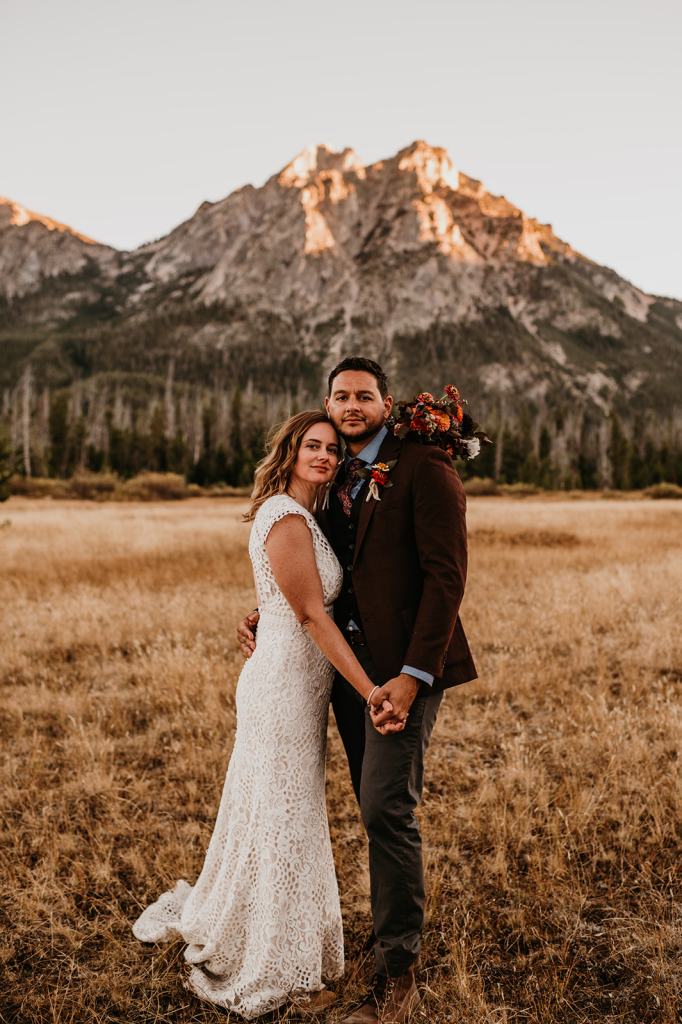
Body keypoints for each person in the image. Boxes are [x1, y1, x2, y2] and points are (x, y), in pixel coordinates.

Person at [132, 410, 394, 1020]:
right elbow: (307, 613)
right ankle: (274, 955)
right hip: (281, 685)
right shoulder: (284, 515)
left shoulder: (308, 517)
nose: (325, 456)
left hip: (297, 684)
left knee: (282, 808)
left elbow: (284, 595)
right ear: (291, 451)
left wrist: (258, 612)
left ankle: (274, 928)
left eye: (332, 449)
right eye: (313, 446)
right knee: (283, 811)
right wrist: (370, 688)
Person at [238, 357, 477, 1024]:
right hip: (349, 676)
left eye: (363, 396)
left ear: (385, 402)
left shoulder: (423, 466)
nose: (350, 406)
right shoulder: (337, 469)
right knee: (371, 805)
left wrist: (411, 677)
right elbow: (322, 570)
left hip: (403, 675)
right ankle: (384, 935)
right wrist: (271, 610)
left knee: (384, 808)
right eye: (340, 396)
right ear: (327, 401)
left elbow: (445, 579)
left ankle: (398, 971)